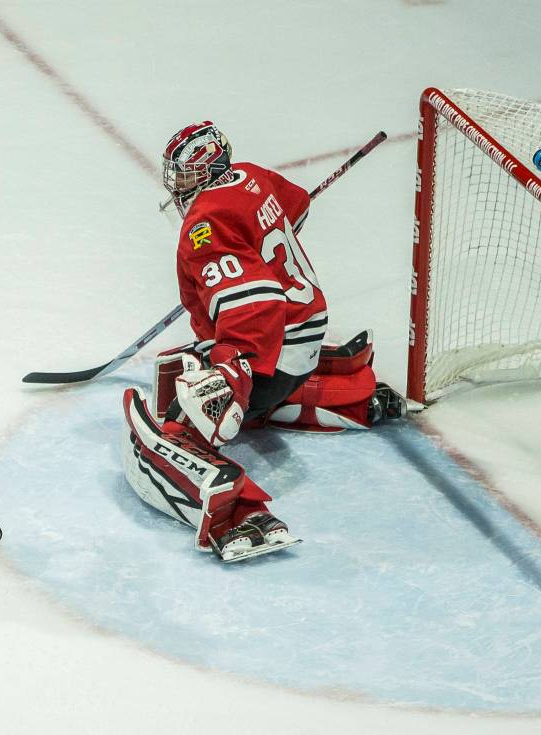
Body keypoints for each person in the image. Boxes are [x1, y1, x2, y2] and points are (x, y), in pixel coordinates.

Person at [122, 121, 406, 563]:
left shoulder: (204, 223)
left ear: (205, 170)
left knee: (180, 405)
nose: (176, 185)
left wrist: (232, 368)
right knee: (193, 366)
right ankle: (346, 395)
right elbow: (295, 210)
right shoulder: (253, 176)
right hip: (306, 331)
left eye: (183, 175)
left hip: (275, 350)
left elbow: (255, 305)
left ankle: (239, 515)